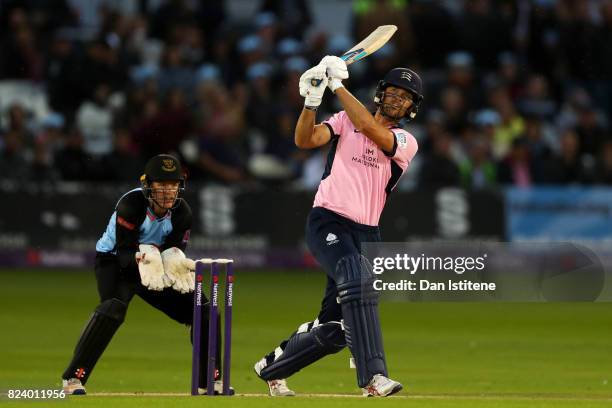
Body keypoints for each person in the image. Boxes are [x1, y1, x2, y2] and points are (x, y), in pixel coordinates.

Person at [253, 57, 422, 396]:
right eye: (392, 91)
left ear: (411, 108)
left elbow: (372, 130)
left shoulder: (405, 142)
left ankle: (272, 368)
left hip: (367, 233)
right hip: (328, 220)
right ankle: (374, 378)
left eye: (405, 97)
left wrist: (337, 85)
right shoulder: (345, 120)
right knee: (356, 280)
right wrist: (311, 102)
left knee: (336, 328)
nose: (396, 99)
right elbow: (306, 139)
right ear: (380, 93)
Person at [61, 154, 225, 395]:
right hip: (115, 263)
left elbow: (174, 249)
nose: (168, 191)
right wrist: (146, 259)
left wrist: (174, 260)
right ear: (148, 185)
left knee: (205, 310)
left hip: (156, 267)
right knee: (113, 308)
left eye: (173, 184)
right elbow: (125, 252)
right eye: (162, 184)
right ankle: (73, 379)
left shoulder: (182, 213)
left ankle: (210, 380)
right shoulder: (131, 205)